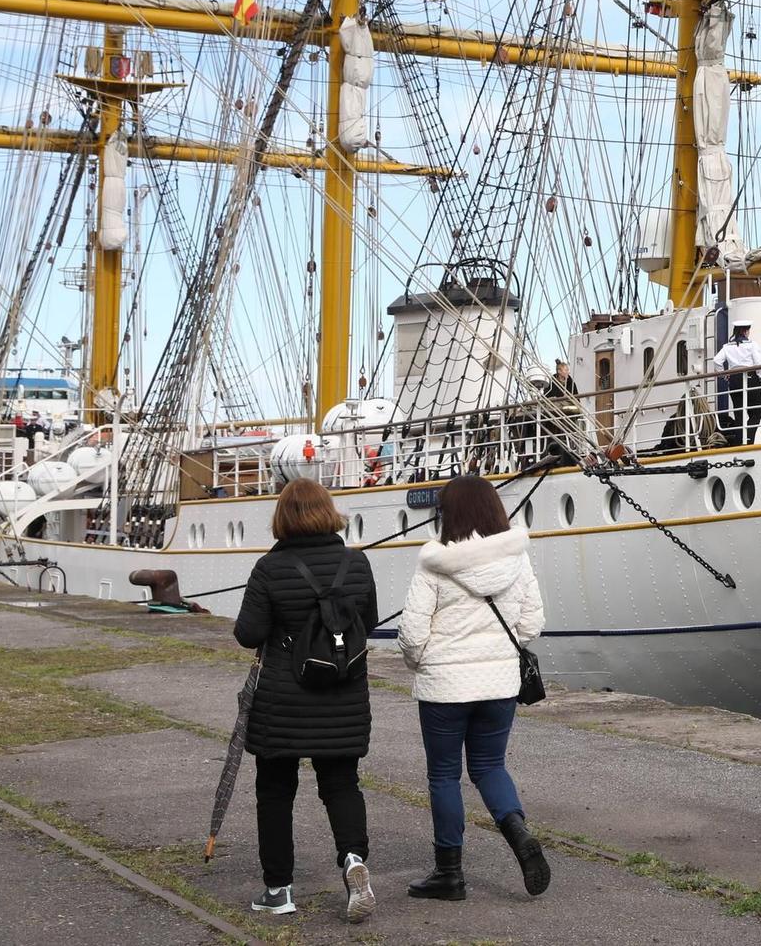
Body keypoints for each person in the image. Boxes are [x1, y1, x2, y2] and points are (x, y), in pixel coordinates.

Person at [397, 474, 550, 902]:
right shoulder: (517, 559)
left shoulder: (434, 563)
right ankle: (519, 835)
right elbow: (531, 624)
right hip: (499, 684)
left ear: (449, 513)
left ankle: (449, 874)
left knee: (444, 775)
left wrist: (423, 663)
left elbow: (411, 633)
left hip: (444, 687)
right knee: (489, 767)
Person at [232, 478, 379, 921]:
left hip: (283, 700)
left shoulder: (269, 569)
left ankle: (278, 889)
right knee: (342, 785)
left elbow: (248, 634)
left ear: (283, 517)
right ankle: (353, 859)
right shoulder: (356, 565)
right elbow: (367, 623)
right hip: (343, 696)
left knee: (275, 792)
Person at [708, 323, 761, 444]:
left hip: (734, 379)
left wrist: (724, 375)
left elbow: (717, 360)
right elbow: (759, 363)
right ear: (746, 331)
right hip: (750, 377)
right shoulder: (752, 345)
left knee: (739, 413)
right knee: (756, 413)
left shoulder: (728, 346)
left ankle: (740, 440)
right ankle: (748, 438)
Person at [544, 360, 582, 461]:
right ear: (559, 372)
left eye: (568, 370)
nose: (568, 372)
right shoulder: (551, 382)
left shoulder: (570, 383)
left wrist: (568, 397)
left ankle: (569, 443)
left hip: (567, 411)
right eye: (566, 370)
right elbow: (547, 396)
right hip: (554, 409)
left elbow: (576, 399)